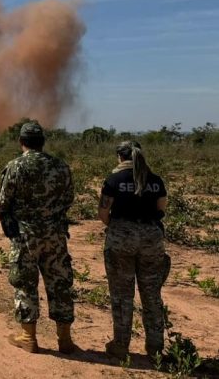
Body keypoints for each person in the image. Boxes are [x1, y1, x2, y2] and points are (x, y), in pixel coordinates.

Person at [0, 122, 76, 354]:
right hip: (56, 237)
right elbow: (68, 198)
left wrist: (11, 228)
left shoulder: (15, 166)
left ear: (21, 141)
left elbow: (2, 204)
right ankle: (65, 340)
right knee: (60, 284)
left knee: (25, 283)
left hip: (26, 237)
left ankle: (28, 337)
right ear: (42, 142)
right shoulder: (60, 166)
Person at [98, 141, 169, 361]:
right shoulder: (156, 180)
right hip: (152, 240)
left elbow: (103, 213)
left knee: (121, 294)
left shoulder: (113, 180)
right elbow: (161, 209)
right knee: (151, 294)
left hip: (121, 239)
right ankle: (156, 348)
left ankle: (120, 346)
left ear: (120, 156)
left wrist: (117, 228)